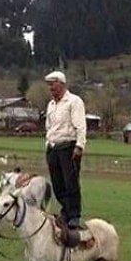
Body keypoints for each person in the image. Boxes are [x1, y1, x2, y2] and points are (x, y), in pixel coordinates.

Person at [44, 70, 87, 230]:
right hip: (53, 147)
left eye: (53, 84)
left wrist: (79, 145)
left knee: (71, 182)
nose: (50, 88)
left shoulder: (74, 101)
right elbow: (49, 126)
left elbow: (80, 125)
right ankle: (65, 212)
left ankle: (74, 215)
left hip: (68, 146)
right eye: (49, 85)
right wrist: (47, 144)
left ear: (61, 84)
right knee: (57, 183)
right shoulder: (51, 105)